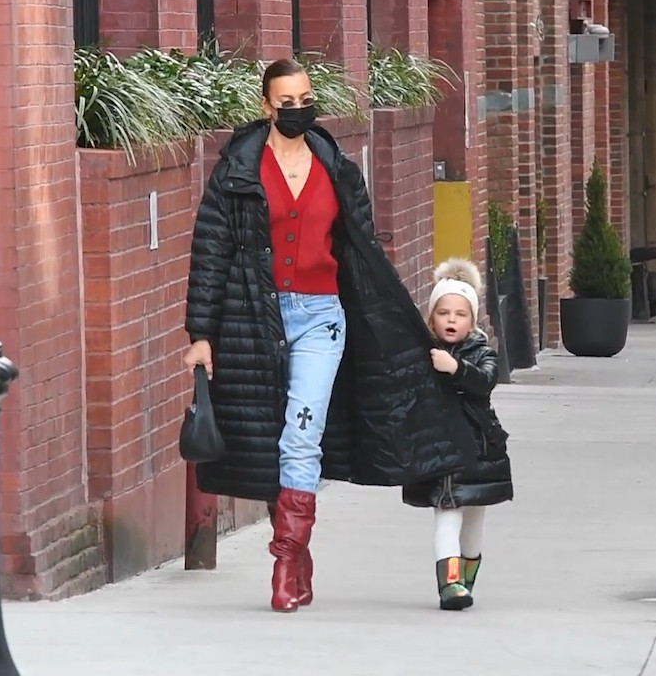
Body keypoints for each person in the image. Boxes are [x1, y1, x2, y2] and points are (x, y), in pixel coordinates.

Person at [183, 58, 474, 613]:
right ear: (266, 106)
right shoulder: (236, 170)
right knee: (269, 439)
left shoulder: (336, 167)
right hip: (255, 319)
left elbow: (363, 249)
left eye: (306, 100)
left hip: (321, 317)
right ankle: (299, 554)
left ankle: (285, 560)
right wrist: (201, 332)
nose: (299, 111)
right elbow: (210, 252)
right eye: (286, 103)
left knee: (300, 436)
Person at [402, 258, 514, 611]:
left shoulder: (482, 353)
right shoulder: (422, 353)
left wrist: (456, 369)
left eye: (460, 314)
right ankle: (450, 584)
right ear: (432, 318)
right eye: (443, 312)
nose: (451, 320)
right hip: (439, 449)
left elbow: (485, 381)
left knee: (474, 517)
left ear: (473, 320)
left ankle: (466, 577)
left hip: (478, 450)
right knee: (447, 511)